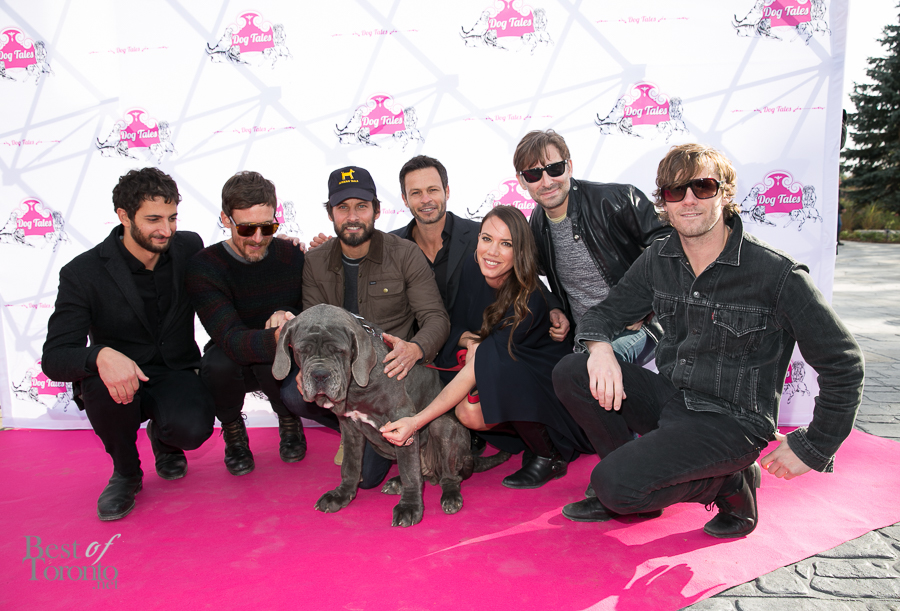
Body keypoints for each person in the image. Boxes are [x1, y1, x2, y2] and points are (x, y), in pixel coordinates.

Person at [551, 144, 865, 537]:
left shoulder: (775, 273)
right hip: (675, 398)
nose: (688, 200)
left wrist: (815, 446)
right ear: (663, 201)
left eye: (702, 187)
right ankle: (639, 482)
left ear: (725, 193)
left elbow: (843, 362)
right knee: (572, 370)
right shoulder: (659, 259)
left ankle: (729, 483)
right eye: (675, 190)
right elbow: (603, 314)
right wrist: (599, 350)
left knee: (612, 486)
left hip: (734, 421)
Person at [42, 168, 216, 521]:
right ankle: (126, 472)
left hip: (175, 369)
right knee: (102, 386)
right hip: (118, 379)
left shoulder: (189, 246)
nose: (166, 230)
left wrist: (282, 249)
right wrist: (100, 356)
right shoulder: (83, 273)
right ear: (124, 216)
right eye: (153, 219)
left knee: (193, 430)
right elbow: (55, 358)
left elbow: (229, 269)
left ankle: (165, 440)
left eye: (172, 218)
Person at [380, 206, 591, 489]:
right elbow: (457, 324)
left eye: (506, 244)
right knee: (467, 401)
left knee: (470, 404)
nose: (492, 252)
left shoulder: (527, 299)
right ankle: (521, 437)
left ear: (520, 251)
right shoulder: (472, 268)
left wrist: (415, 422)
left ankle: (548, 453)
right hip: (503, 366)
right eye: (487, 239)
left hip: (546, 385)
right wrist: (469, 340)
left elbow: (480, 364)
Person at [297, 165, 450, 488]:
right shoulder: (315, 261)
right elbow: (310, 328)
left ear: (377, 211)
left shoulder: (404, 254)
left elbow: (436, 318)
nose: (352, 217)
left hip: (391, 380)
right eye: (343, 208)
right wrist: (305, 366)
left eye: (362, 207)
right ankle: (352, 422)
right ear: (331, 214)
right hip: (342, 371)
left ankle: (374, 429)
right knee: (294, 392)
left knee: (366, 479)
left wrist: (415, 349)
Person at [186, 171, 306, 477]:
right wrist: (277, 335)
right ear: (225, 219)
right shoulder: (205, 266)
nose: (257, 237)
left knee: (271, 357)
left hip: (277, 359)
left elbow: (307, 306)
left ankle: (289, 419)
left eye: (267, 226)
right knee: (218, 363)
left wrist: (287, 313)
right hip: (231, 356)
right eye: (246, 227)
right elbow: (229, 337)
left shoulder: (291, 254)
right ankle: (233, 430)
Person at [514, 129, 670, 363]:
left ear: (569, 167)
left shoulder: (614, 200)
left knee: (588, 370)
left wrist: (642, 304)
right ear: (522, 181)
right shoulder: (536, 226)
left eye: (554, 169)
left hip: (640, 326)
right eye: (533, 174)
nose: (547, 182)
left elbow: (669, 244)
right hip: (586, 336)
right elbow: (529, 277)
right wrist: (555, 308)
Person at [390, 155, 481, 314]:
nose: (426, 199)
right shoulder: (390, 246)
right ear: (404, 199)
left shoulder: (480, 237)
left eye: (432, 190)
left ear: (447, 191)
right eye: (416, 193)